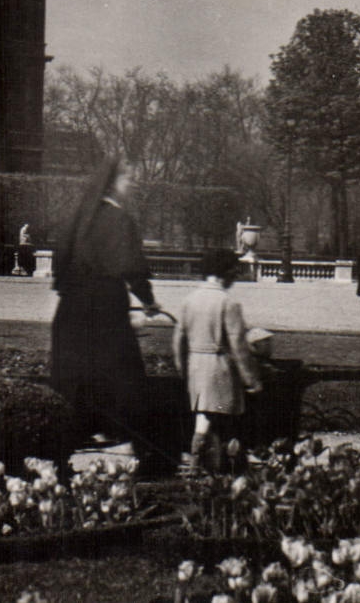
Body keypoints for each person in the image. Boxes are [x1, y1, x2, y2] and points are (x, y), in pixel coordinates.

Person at [50, 156, 175, 476]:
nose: (131, 183)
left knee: (73, 380)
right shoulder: (119, 220)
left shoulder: (77, 218)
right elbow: (131, 267)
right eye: (127, 178)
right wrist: (148, 301)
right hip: (106, 309)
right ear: (112, 183)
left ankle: (59, 455)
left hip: (72, 310)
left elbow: (60, 267)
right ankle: (148, 455)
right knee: (126, 379)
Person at [173, 249, 262, 474]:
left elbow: (178, 341)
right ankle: (222, 464)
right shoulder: (228, 303)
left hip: (196, 365)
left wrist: (182, 369)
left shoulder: (189, 300)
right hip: (219, 365)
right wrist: (251, 379)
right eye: (235, 270)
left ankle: (198, 461)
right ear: (226, 272)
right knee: (224, 416)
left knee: (204, 414)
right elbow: (239, 346)